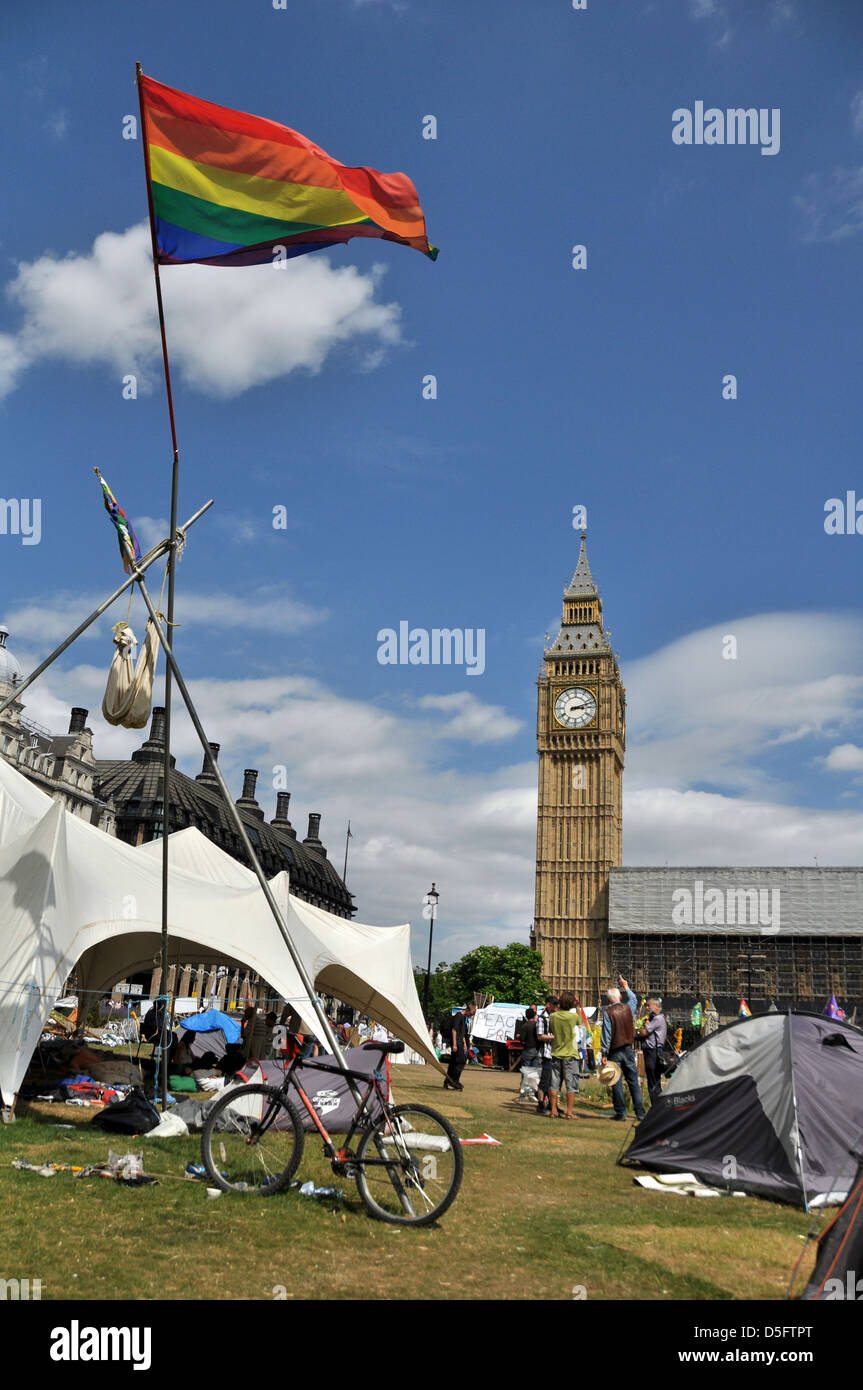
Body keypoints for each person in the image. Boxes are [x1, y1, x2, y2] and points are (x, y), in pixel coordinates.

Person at [600, 974, 646, 1121]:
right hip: (628, 1048)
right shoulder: (627, 1008)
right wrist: (625, 986)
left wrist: (604, 1053)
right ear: (620, 998)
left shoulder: (607, 1012)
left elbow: (607, 1034)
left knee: (616, 1082)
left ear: (608, 1000)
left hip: (614, 1050)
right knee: (633, 1081)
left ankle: (621, 1113)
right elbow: (633, 999)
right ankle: (640, 1113)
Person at [548, 991, 581, 1119]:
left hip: (556, 1053)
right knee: (570, 1085)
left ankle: (553, 1110)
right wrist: (578, 1006)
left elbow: (551, 1031)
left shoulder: (553, 1016)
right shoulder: (573, 1017)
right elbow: (581, 1023)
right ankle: (569, 1112)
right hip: (570, 1055)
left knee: (554, 1084)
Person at [636, 997, 667, 1104]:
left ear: (656, 1006)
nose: (647, 1008)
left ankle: (656, 1109)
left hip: (652, 1052)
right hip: (653, 1052)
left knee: (653, 1082)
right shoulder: (657, 1018)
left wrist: (639, 1031)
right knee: (655, 1081)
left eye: (649, 1006)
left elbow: (644, 1032)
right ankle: (659, 1109)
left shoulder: (658, 1019)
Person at [443, 1002, 476, 1091]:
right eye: (471, 1014)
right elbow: (454, 1030)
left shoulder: (464, 1018)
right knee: (461, 1061)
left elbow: (462, 1033)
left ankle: (447, 1081)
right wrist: (454, 1044)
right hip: (456, 1043)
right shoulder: (458, 1016)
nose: (471, 1016)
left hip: (460, 1042)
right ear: (467, 1010)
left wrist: (465, 1043)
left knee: (453, 1062)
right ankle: (454, 1080)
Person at [535, 995, 557, 1114]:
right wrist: (554, 1037)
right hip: (547, 1053)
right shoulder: (542, 1019)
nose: (556, 1007)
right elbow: (540, 1036)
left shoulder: (556, 1017)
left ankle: (552, 1105)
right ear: (549, 1005)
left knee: (554, 1082)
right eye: (554, 1005)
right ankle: (540, 1103)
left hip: (556, 1053)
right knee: (545, 1080)